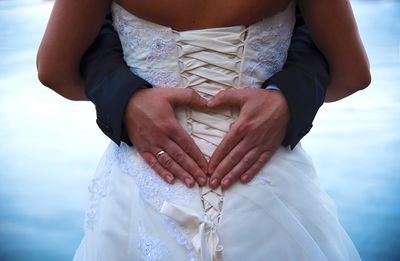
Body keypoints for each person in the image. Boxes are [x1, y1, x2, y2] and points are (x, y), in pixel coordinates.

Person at [37, 0, 370, 260]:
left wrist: (126, 101)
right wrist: (286, 100)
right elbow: (352, 73)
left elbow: (55, 69)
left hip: (147, 182)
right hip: (263, 179)